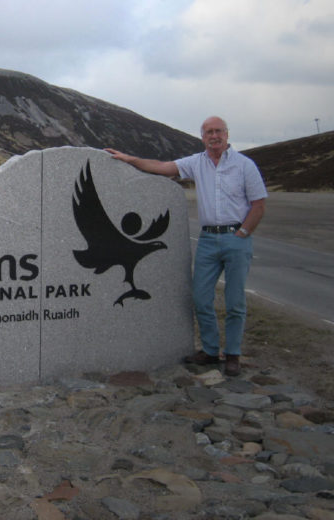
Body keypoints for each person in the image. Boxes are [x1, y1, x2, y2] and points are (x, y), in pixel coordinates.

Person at [105, 116, 267, 376]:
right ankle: (211, 351)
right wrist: (130, 159)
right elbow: (163, 167)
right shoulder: (197, 163)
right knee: (201, 298)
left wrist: (243, 233)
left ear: (226, 134)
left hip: (235, 239)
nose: (214, 136)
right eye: (208, 132)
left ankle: (233, 354)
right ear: (202, 137)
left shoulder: (244, 165)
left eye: (218, 131)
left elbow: (258, 205)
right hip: (207, 240)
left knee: (235, 301)